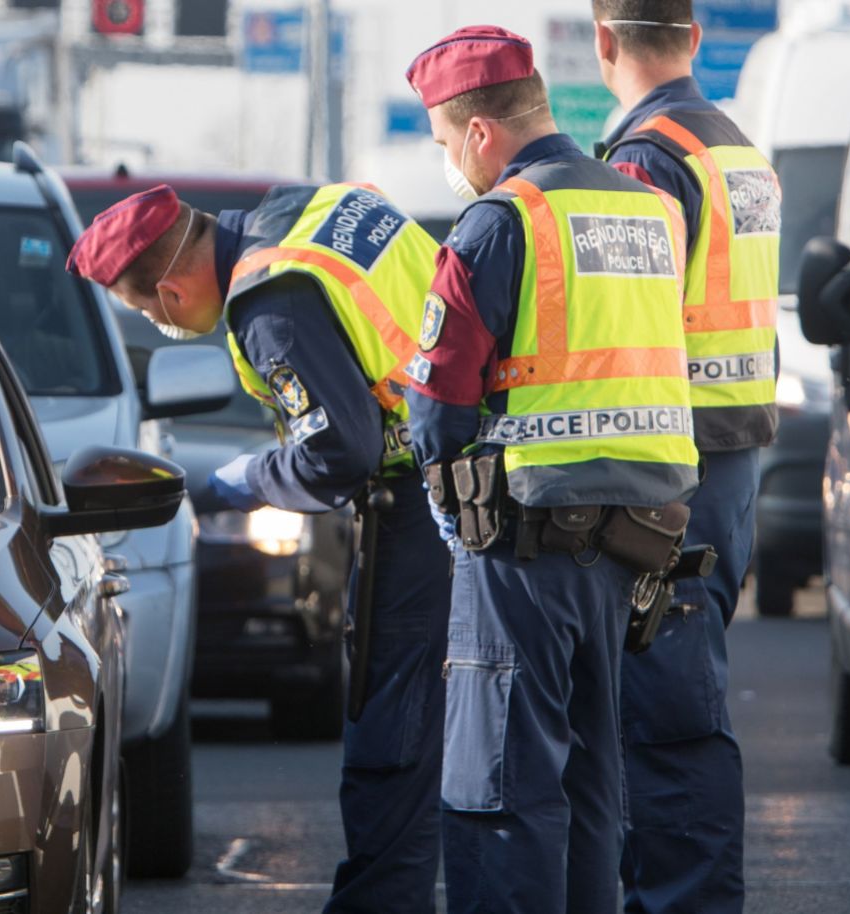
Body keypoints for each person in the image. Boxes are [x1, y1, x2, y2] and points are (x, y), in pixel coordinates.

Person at [66, 182, 451, 913]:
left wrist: (236, 482)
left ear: (172, 290)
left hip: (422, 506)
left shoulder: (269, 304)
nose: (162, 320)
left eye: (149, 309)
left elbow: (338, 456)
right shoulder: (314, 206)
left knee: (390, 741)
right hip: (478, 477)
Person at [404, 26, 700, 913]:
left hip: (522, 546)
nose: (452, 162)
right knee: (590, 785)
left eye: (447, 143)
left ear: (481, 132)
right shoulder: (647, 208)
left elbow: (438, 402)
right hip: (632, 544)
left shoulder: (500, 223)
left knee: (499, 787)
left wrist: (451, 506)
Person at [592, 5, 779, 909]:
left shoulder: (646, 158)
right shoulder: (734, 144)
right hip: (732, 456)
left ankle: (683, 899)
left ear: (602, 41)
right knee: (682, 689)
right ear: (696, 36)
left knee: (667, 714)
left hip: (670, 467)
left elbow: (623, 309)